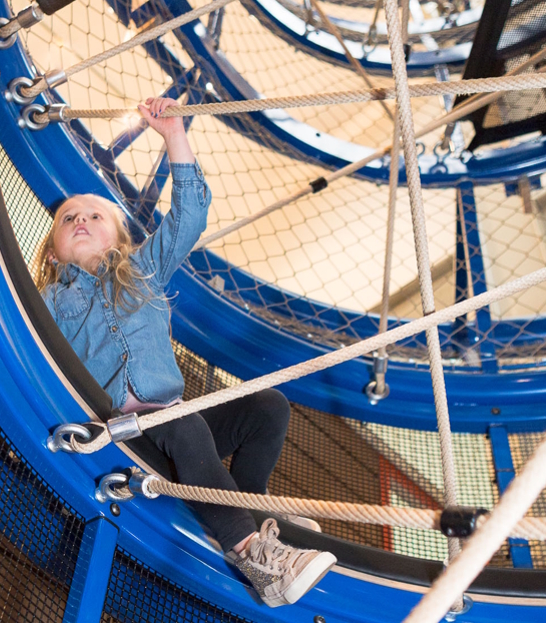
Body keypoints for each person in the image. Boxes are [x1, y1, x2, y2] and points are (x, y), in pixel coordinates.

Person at [34, 96, 337, 607]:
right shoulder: (48, 298)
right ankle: (257, 559)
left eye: (94, 215)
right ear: (51, 248)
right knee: (179, 422)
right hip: (119, 436)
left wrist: (174, 135)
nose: (81, 220)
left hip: (173, 432)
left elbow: (189, 215)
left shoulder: (142, 274)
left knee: (268, 407)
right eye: (69, 218)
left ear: (121, 238)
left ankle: (247, 507)